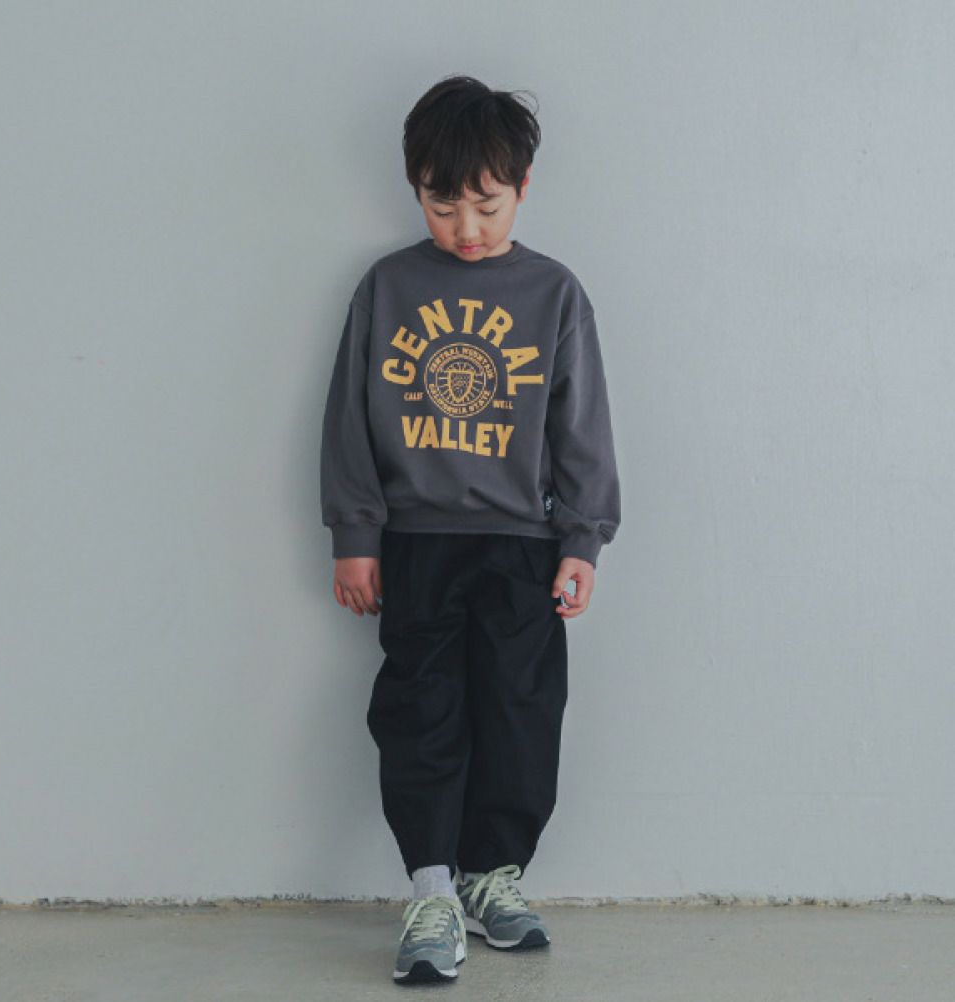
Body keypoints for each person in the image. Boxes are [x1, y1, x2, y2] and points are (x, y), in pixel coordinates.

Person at [319, 73, 622, 985]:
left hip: (524, 547)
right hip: (416, 543)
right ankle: (432, 888)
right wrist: (356, 534)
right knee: (419, 712)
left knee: (522, 714)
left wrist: (583, 540)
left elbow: (581, 429)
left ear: (523, 188)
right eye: (442, 204)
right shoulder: (388, 286)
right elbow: (348, 421)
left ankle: (494, 876)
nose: (466, 228)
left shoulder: (554, 293)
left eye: (486, 206)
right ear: (415, 188)